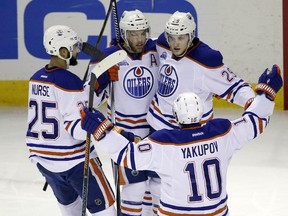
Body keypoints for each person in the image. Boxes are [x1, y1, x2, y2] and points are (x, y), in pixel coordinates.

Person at [80, 64, 283, 215]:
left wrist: (102, 131)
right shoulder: (222, 133)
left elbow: (128, 156)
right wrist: (267, 94)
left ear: (175, 116)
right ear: (202, 111)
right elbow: (256, 120)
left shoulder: (164, 142)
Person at [25, 25, 116, 216]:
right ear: (63, 51)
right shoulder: (69, 81)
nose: (76, 51)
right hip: (74, 161)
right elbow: (77, 128)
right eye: (73, 48)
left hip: (45, 162)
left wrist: (92, 88)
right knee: (105, 210)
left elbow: (67, 106)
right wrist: (100, 125)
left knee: (70, 209)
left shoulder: (35, 79)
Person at [85, 9, 159, 216]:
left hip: (155, 132)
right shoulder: (109, 57)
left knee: (156, 188)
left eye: (143, 33)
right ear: (124, 34)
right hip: (124, 135)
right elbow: (89, 97)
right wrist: (101, 78)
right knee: (134, 189)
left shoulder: (157, 50)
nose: (139, 39)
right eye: (134, 34)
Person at [146, 11, 256, 131]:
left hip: (190, 132)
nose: (175, 43)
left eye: (181, 38)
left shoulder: (205, 60)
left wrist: (253, 103)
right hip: (156, 124)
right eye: (171, 38)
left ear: (191, 35)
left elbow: (236, 86)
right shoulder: (163, 43)